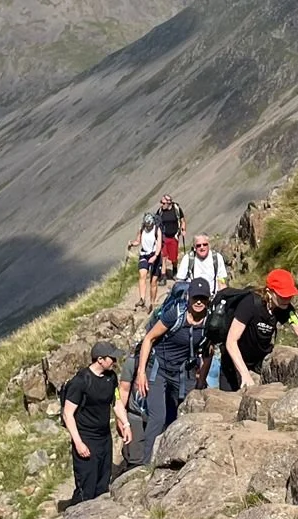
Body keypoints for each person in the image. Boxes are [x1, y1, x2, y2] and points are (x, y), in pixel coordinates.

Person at [126, 278, 213, 459]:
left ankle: (176, 458)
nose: (199, 302)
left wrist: (201, 380)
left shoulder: (210, 321)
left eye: (203, 298)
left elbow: (208, 353)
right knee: (157, 417)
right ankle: (147, 464)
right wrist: (141, 373)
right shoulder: (176, 314)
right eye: (196, 297)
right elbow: (149, 339)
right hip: (158, 369)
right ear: (188, 297)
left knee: (182, 416)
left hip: (184, 372)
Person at [221, 267, 298, 392]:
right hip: (233, 362)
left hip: (258, 361)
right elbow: (231, 342)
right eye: (282, 295)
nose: (287, 299)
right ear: (270, 292)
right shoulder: (250, 304)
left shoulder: (285, 308)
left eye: (289, 295)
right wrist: (245, 375)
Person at [61, 342, 130, 503]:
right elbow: (67, 414)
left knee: (103, 481)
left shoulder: (111, 377)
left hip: (104, 438)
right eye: (111, 358)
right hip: (86, 439)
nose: (114, 361)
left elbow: (116, 402)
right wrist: (78, 443)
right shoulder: (80, 382)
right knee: (87, 484)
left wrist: (125, 424)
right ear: (100, 360)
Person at [136, 207, 164, 309]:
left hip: (154, 255)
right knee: (142, 275)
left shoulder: (157, 230)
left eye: (150, 225)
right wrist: (131, 244)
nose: (148, 227)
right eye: (146, 225)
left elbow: (159, 245)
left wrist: (155, 256)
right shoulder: (142, 229)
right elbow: (138, 241)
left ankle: (152, 302)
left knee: (153, 281)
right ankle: (142, 299)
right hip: (144, 254)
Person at [155, 196, 186, 281]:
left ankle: (175, 271)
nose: (162, 204)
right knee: (163, 256)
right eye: (161, 202)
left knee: (174, 257)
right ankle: (163, 276)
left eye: (163, 203)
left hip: (174, 236)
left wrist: (183, 230)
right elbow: (156, 221)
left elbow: (182, 220)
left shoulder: (176, 209)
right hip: (164, 237)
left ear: (169, 203)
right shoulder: (160, 211)